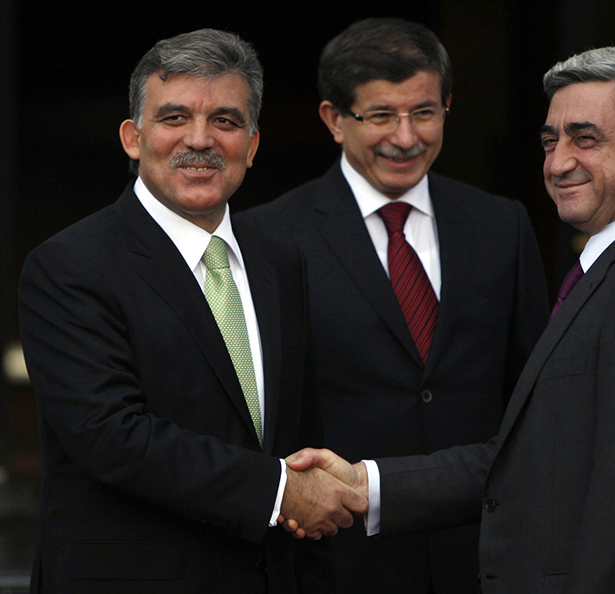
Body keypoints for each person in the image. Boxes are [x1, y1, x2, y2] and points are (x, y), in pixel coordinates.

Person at [288, 46, 615, 593]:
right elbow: (532, 457)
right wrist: (365, 484)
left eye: (585, 138)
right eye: (551, 140)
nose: (557, 162)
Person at [19, 29, 364, 594]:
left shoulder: (280, 264)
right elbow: (112, 436)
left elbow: (298, 438)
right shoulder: (68, 267)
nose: (200, 140)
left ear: (252, 145)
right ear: (133, 137)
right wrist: (279, 491)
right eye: (174, 118)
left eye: (225, 121)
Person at [241, 18, 547, 594]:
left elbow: (531, 394)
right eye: (381, 116)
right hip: (338, 561)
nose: (406, 137)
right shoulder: (270, 238)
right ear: (334, 119)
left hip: (482, 553)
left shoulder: (501, 225)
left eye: (425, 113)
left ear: (447, 107)